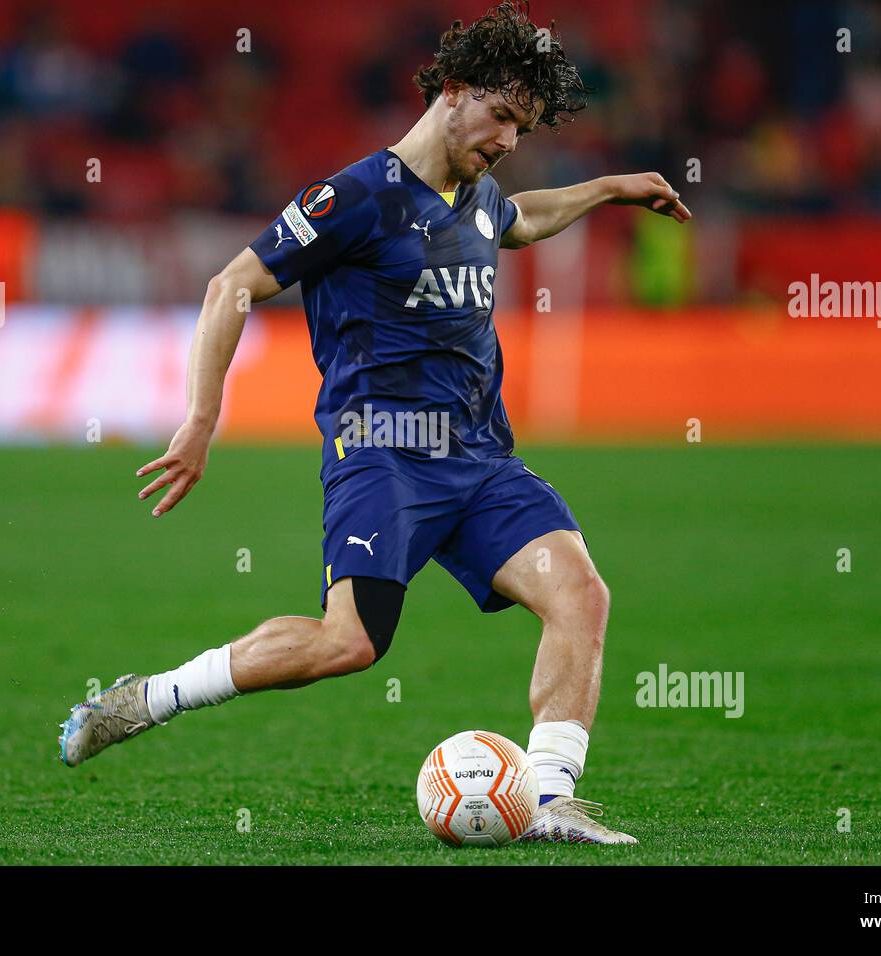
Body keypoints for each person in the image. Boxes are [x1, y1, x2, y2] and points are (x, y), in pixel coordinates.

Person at [59, 0, 690, 844]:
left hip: (480, 457)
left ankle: (546, 800)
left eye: (522, 129)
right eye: (501, 117)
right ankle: (147, 698)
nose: (507, 140)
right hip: (384, 458)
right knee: (348, 645)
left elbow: (522, 220)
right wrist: (201, 419)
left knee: (581, 594)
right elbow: (230, 286)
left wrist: (611, 188)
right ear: (454, 92)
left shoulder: (478, 193)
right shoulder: (352, 198)